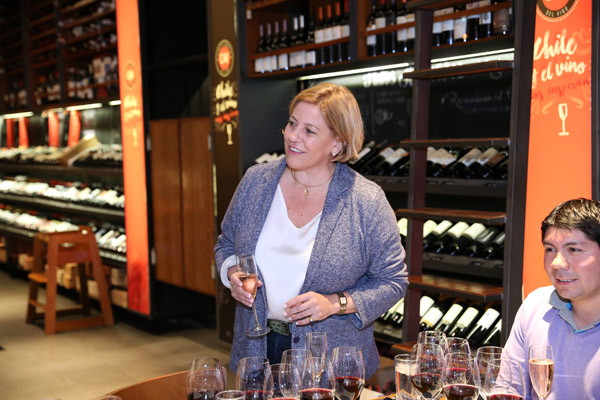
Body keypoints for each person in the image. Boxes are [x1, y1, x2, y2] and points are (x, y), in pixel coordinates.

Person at [214, 82, 408, 378]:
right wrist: (232, 273)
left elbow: (393, 281)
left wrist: (335, 303)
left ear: (337, 144)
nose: (293, 136)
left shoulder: (365, 200)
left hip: (329, 362)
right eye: (292, 123)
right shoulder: (255, 181)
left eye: (309, 131)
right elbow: (226, 243)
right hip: (255, 349)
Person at [503, 198, 600, 399]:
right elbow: (508, 389)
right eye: (550, 249)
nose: (557, 263)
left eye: (574, 250)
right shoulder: (535, 306)